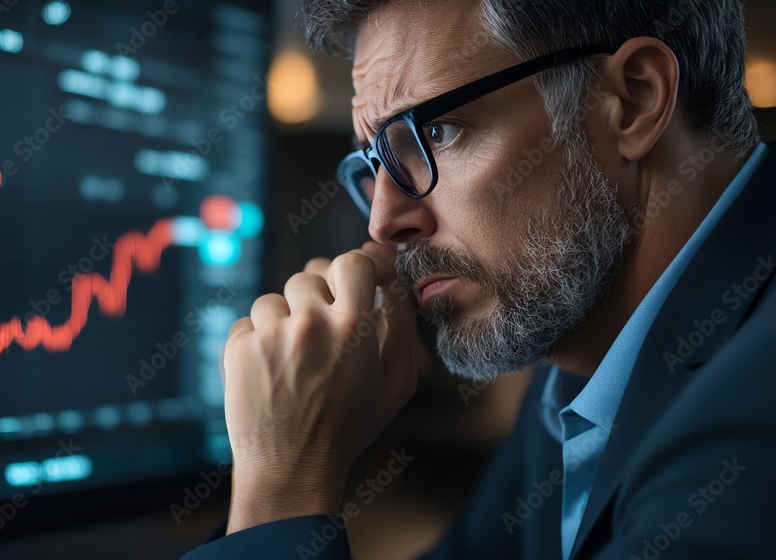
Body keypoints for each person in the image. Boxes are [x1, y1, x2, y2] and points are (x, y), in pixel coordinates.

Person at [182, 0, 776, 558]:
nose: (384, 223)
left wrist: (285, 482)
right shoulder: (574, 381)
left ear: (633, 101)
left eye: (435, 133)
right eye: (375, 164)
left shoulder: (751, 413)